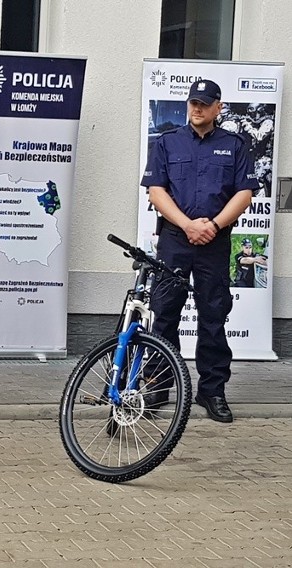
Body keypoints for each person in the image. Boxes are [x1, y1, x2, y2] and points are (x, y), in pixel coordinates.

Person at [141, 79, 258, 423]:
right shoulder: (167, 142)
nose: (197, 109)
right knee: (164, 313)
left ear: (218, 107)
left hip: (214, 242)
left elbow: (245, 193)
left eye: (205, 104)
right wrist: (189, 225)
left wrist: (214, 226)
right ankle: (159, 385)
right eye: (193, 102)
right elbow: (156, 192)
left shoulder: (235, 145)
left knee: (212, 316)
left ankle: (212, 391)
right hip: (176, 240)